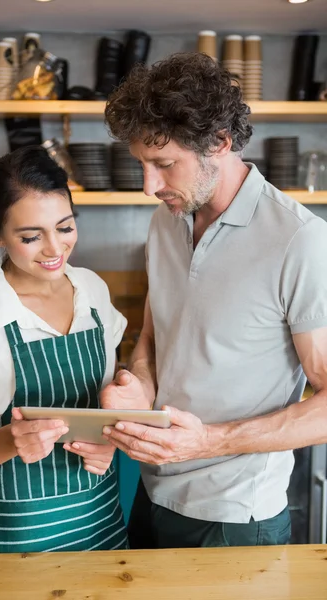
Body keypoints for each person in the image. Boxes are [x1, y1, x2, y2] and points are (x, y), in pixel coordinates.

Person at [100, 52, 327, 548]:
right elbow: (156, 335)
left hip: (235, 517)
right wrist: (138, 383)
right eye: (142, 165)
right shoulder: (166, 220)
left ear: (219, 143)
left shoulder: (300, 240)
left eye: (164, 165)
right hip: (152, 490)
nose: (148, 187)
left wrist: (207, 441)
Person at [0, 146, 128, 553]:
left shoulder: (92, 291)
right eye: (31, 237)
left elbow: (110, 401)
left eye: (66, 227)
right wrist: (10, 442)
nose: (54, 249)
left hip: (101, 527)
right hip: (16, 542)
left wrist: (111, 438)